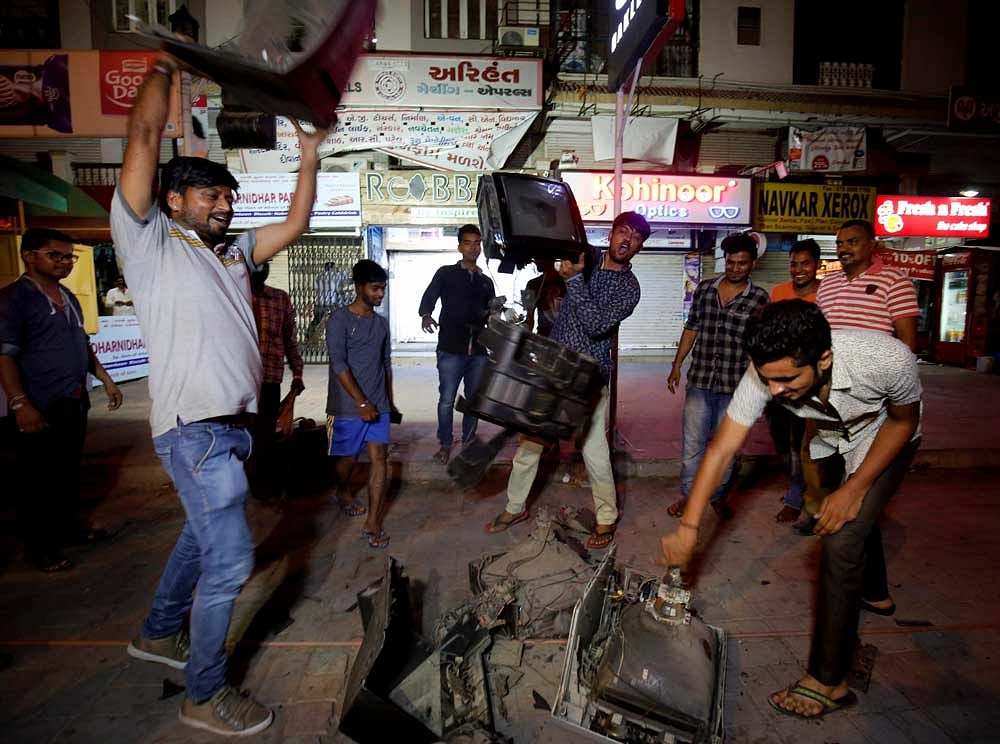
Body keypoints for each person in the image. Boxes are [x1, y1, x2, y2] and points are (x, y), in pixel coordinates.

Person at [116, 47, 326, 737]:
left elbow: (294, 226)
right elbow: (144, 137)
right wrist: (164, 72)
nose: (224, 204)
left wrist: (309, 157)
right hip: (194, 429)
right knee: (231, 556)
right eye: (211, 194)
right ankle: (203, 694)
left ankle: (155, 631)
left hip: (233, 428)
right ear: (174, 200)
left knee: (199, 538)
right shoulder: (149, 242)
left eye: (229, 195)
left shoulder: (235, 253)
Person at [661, 300, 922, 721]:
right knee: (852, 516)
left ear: (824, 358)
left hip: (886, 436)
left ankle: (828, 680)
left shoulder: (888, 358)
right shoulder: (763, 375)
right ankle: (876, 592)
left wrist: (855, 487)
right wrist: (691, 525)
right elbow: (724, 446)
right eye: (769, 380)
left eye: (787, 380)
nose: (776, 392)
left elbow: (903, 421)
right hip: (833, 435)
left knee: (839, 535)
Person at [486, 211, 647, 549]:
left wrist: (573, 281)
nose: (626, 240)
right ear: (612, 233)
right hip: (554, 370)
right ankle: (515, 507)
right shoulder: (584, 258)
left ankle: (606, 517)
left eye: (635, 237)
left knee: (594, 451)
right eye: (623, 231)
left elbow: (596, 325)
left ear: (639, 248)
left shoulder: (629, 288)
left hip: (588, 377)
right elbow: (549, 246)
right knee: (529, 445)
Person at [0, 227, 123, 573]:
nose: (65, 262)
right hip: (38, 402)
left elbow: (83, 345)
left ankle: (69, 529)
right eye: (56, 255)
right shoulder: (14, 300)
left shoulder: (67, 296)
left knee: (67, 472)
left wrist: (105, 379)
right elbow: (5, 355)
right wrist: (20, 404)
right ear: (29, 255)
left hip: (73, 398)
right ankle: (39, 548)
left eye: (69, 257)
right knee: (37, 479)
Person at [666, 233, 769, 521]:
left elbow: (759, 343)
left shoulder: (759, 298)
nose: (735, 268)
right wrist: (677, 364)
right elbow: (692, 328)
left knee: (727, 447)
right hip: (700, 380)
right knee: (692, 445)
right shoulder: (705, 290)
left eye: (742, 263)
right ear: (725, 260)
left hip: (736, 385)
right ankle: (689, 496)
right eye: (731, 262)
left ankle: (718, 495)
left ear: (752, 264)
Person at [325, 260, 396, 549]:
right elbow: (339, 364)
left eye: (383, 289)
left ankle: (373, 523)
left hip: (378, 405)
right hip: (347, 407)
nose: (380, 295)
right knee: (348, 461)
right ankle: (342, 491)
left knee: (380, 459)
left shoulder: (381, 324)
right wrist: (361, 401)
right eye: (375, 289)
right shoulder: (339, 320)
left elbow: (386, 363)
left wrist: (388, 402)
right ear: (359, 288)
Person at [419, 224, 496, 464]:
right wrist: (426, 314)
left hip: (479, 350)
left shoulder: (485, 281)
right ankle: (444, 444)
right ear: (459, 246)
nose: (473, 247)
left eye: (477, 243)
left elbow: (491, 313)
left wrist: (498, 316)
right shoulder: (446, 273)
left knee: (473, 401)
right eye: (468, 243)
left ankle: (469, 442)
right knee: (447, 400)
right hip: (451, 347)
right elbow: (429, 295)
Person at [768, 239, 820, 524]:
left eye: (805, 264)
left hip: (809, 384)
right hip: (779, 381)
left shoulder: (826, 295)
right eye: (793, 264)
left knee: (805, 443)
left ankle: (798, 495)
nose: (798, 270)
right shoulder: (778, 292)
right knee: (782, 440)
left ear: (816, 265)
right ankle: (796, 487)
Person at [817, 219, 919, 352]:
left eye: (852, 242)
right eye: (839, 244)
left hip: (873, 370)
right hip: (830, 369)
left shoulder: (895, 280)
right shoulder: (827, 283)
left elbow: (908, 342)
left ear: (871, 245)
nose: (844, 249)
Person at [250, 261, 304, 500]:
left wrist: (298, 373)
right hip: (237, 381)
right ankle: (246, 483)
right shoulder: (230, 295)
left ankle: (263, 486)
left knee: (264, 435)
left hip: (270, 378)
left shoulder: (279, 298)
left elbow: (289, 338)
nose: (262, 267)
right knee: (241, 435)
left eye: (265, 262)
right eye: (256, 263)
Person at [524, 257, 566, 337]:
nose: (536, 261)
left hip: (564, 337)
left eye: (539, 258)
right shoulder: (531, 284)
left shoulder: (566, 283)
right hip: (544, 336)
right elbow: (528, 319)